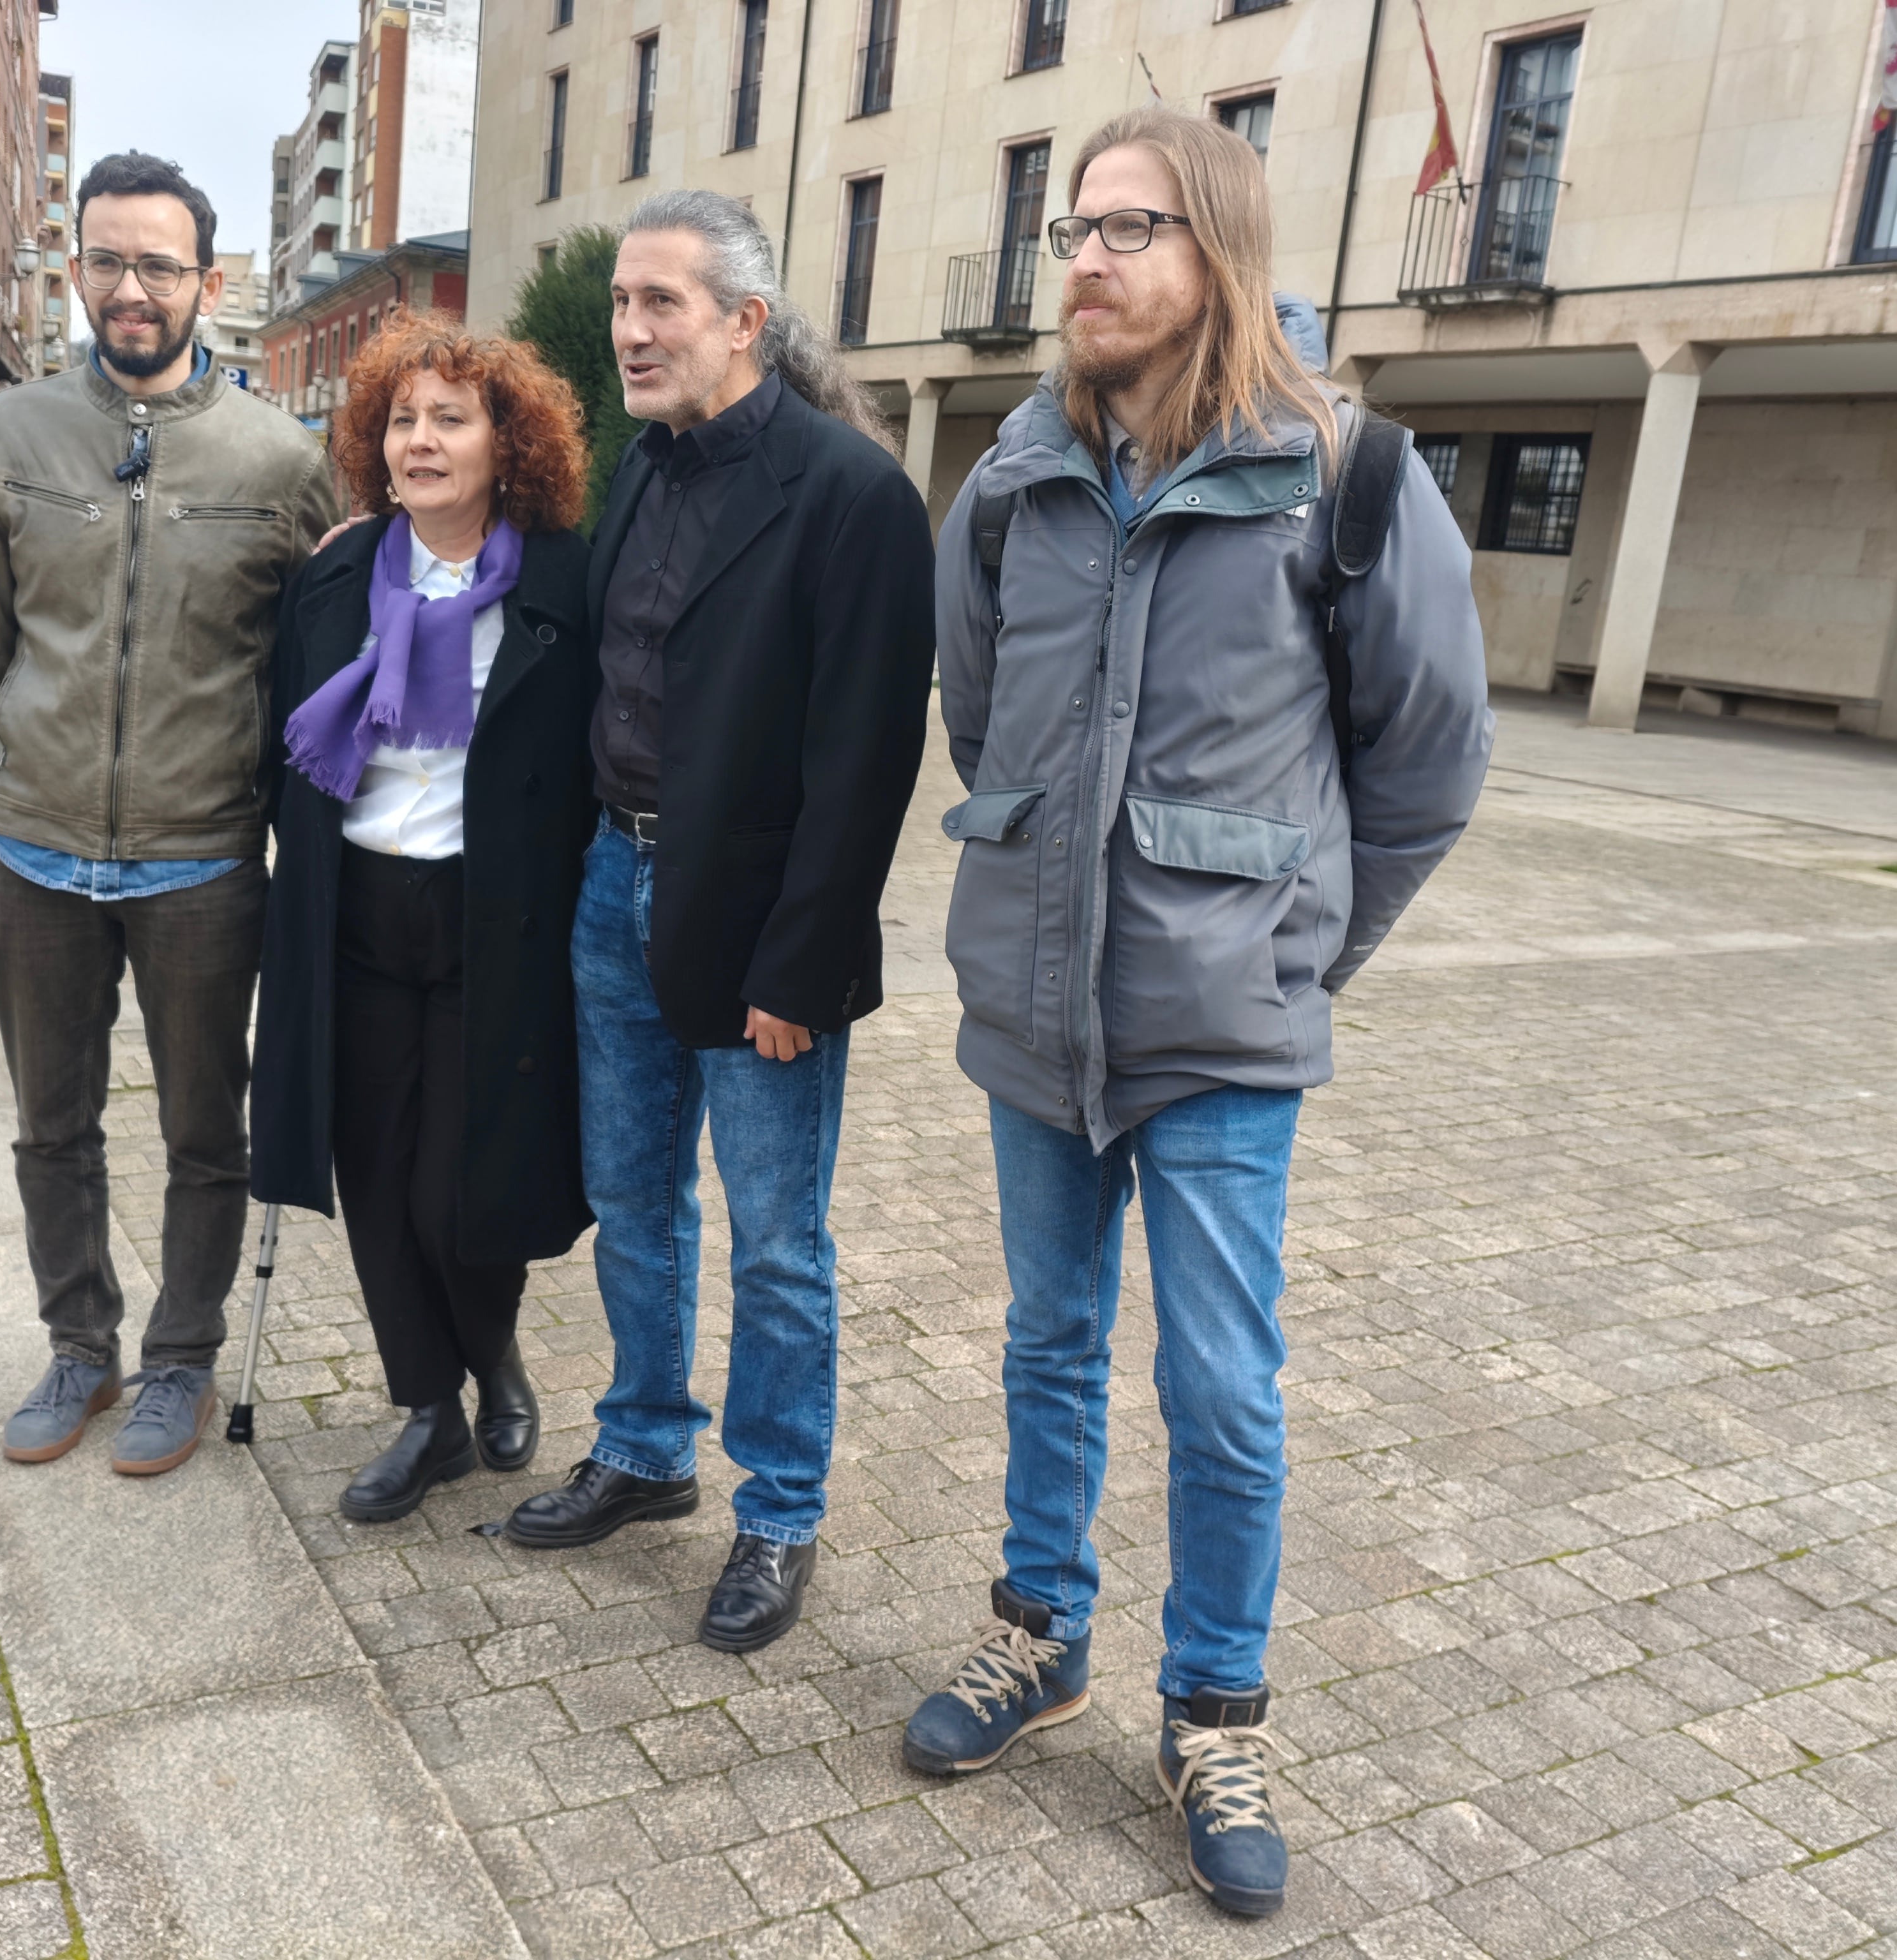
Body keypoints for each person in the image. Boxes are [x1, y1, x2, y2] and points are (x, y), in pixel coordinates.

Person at [902, 107, 1492, 1920]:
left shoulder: (1350, 480)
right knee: (1047, 1344)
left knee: (1224, 1388)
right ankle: (1038, 1634)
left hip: (1222, 1028)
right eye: (1070, 227)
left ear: (1215, 251)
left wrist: (1302, 952)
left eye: (1125, 228)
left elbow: (1431, 761)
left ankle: (1217, 1711)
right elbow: (982, 722)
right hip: (1034, 1014)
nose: (1079, 257)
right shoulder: (1008, 484)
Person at [499, 190, 935, 1657]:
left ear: (743, 322)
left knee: (776, 1234)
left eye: (659, 303)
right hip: (611, 892)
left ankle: (783, 1505)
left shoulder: (851, 494)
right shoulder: (640, 473)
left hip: (756, 924)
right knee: (634, 1198)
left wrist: (802, 962)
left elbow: (864, 758)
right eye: (623, 301)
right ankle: (644, 1445)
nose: (628, 328)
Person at [0, 152, 336, 1476]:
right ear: (77, 270)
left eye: (159, 265)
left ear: (207, 284)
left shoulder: (283, 462)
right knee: (51, 1124)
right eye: (106, 259)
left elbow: (333, 661)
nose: (130, 288)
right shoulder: (12, 436)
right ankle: (77, 1346)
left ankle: (179, 1361)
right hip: (32, 848)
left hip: (202, 860)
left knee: (202, 1131)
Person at [249, 315, 597, 1523]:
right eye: (403, 418)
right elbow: (275, 748)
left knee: (465, 1180)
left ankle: (494, 1354)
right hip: (350, 912)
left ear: (509, 442)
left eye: (452, 417)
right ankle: (429, 1410)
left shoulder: (565, 586)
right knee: (376, 1178)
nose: (421, 439)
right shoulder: (335, 579)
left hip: (490, 922)